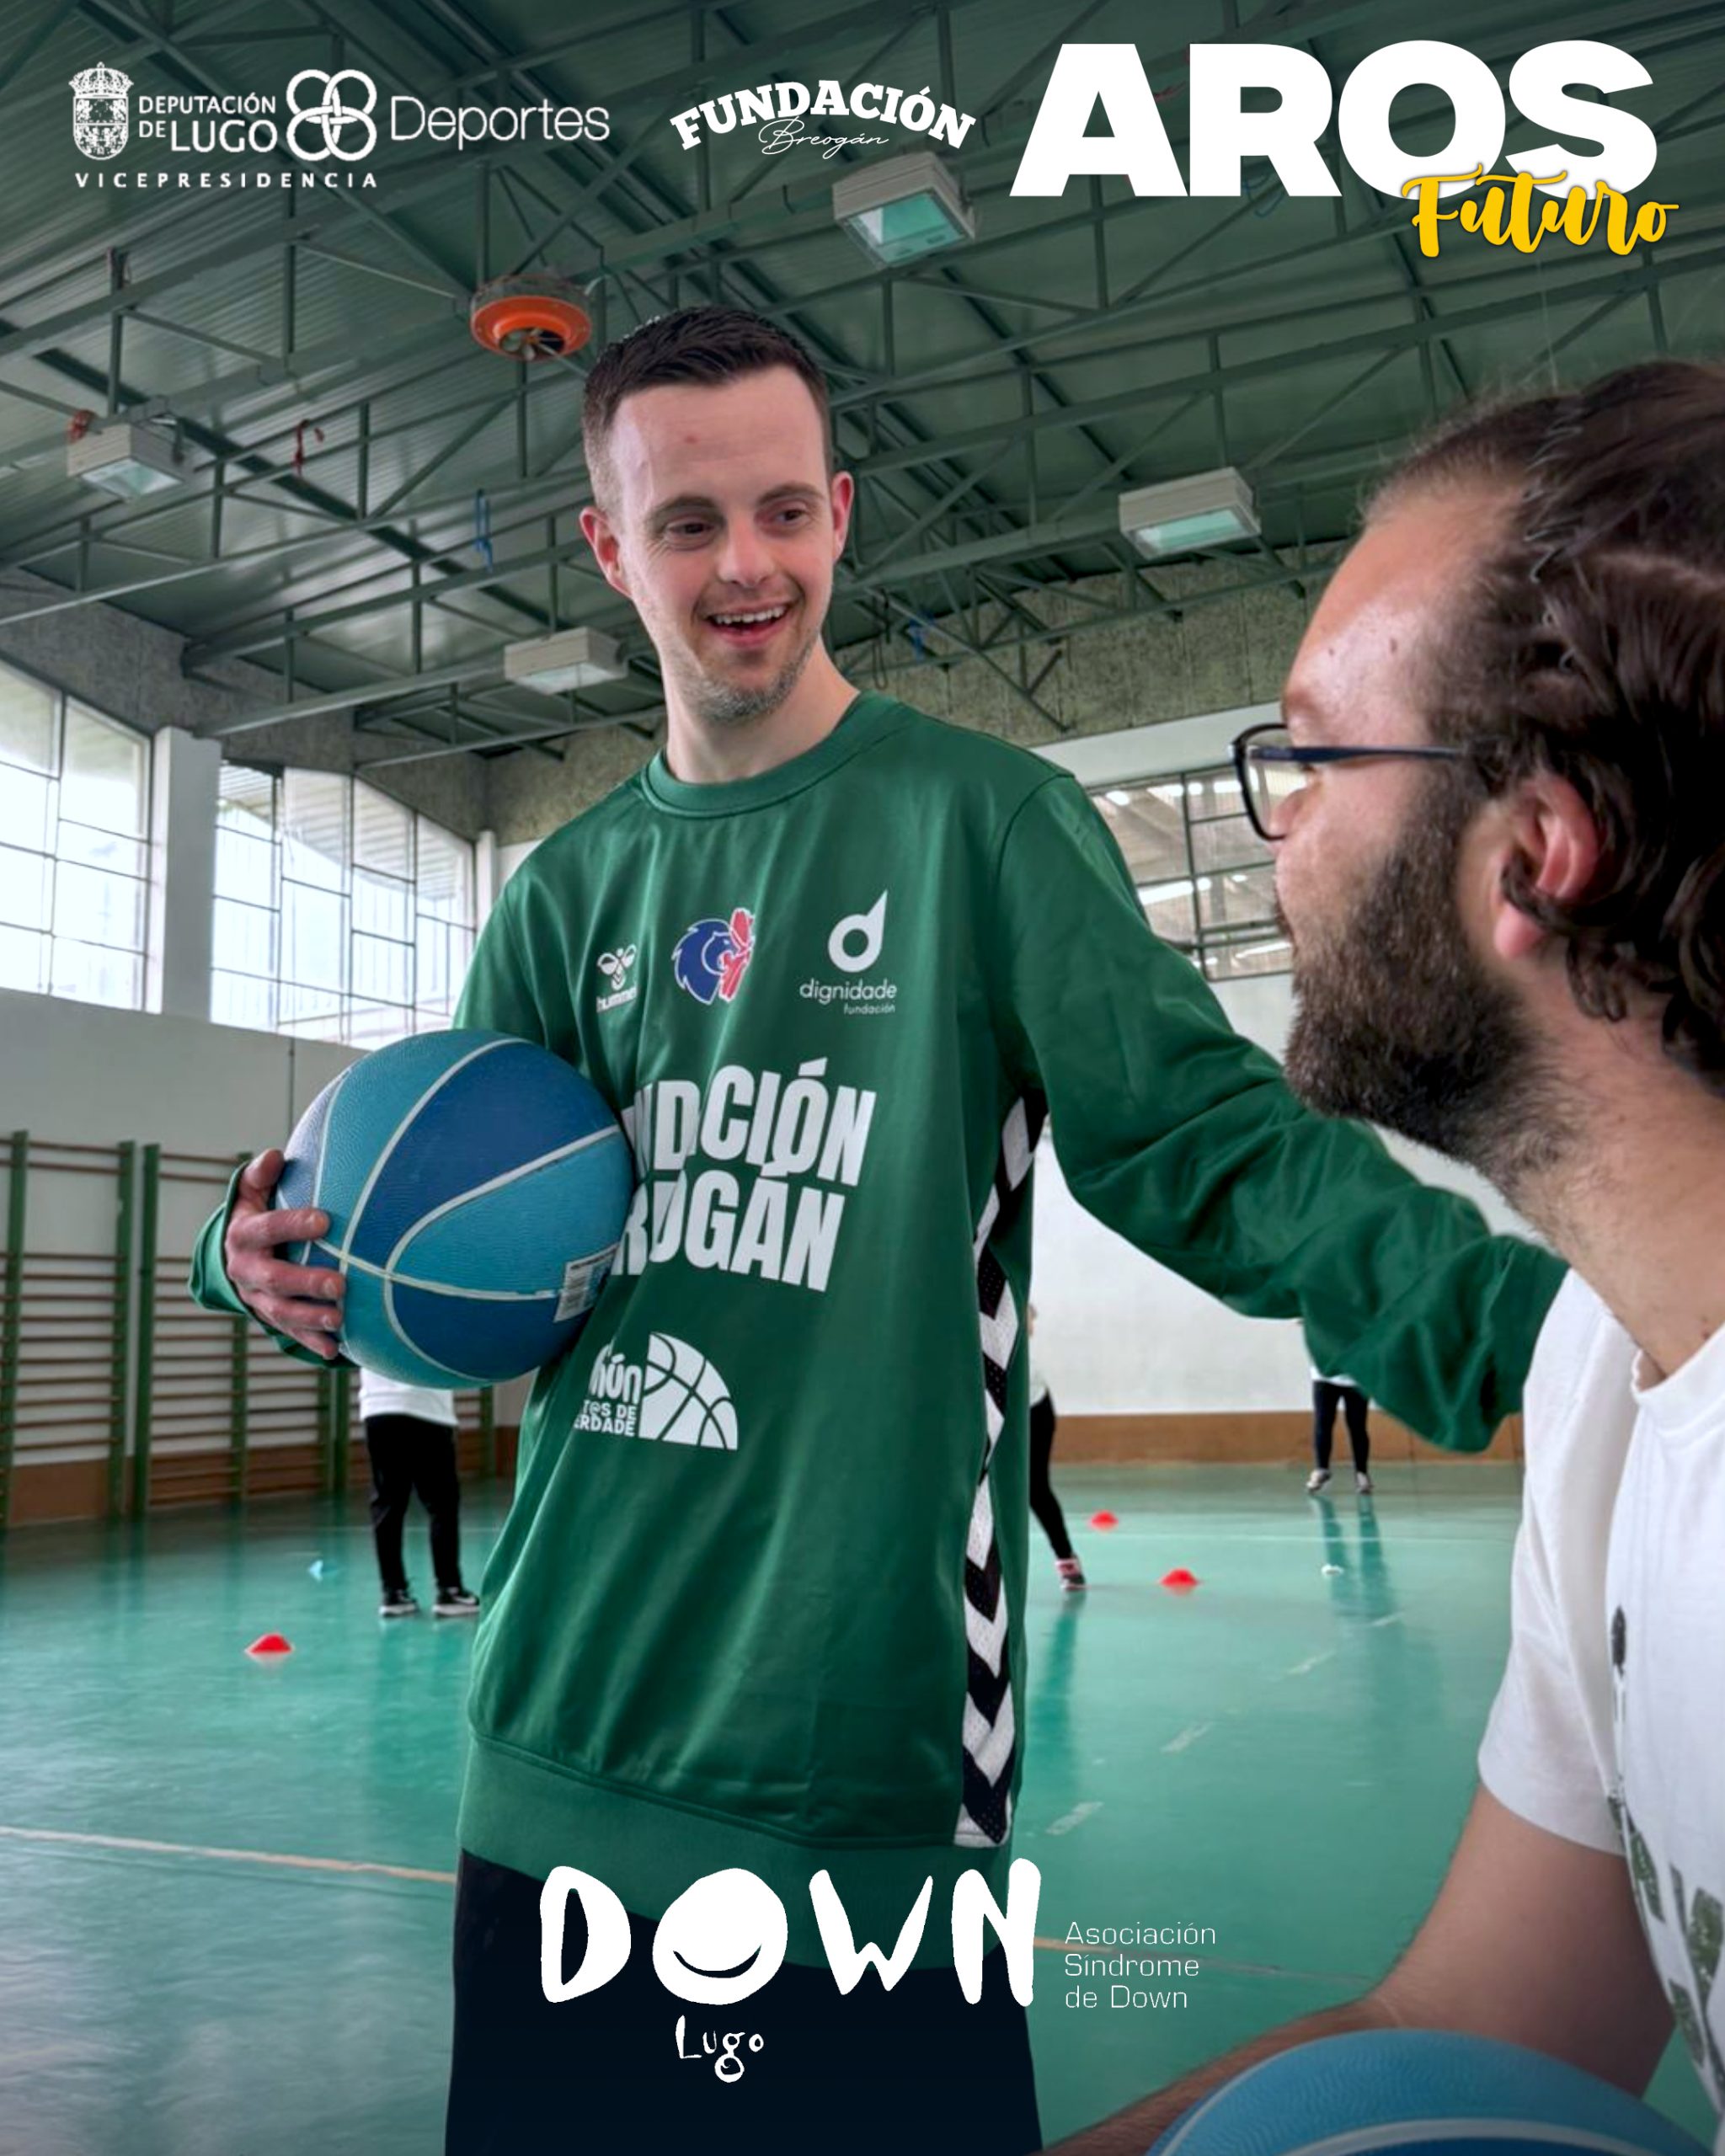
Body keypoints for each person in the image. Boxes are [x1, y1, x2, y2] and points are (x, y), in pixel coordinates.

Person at [189, 306, 1562, 2156]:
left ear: (839, 515)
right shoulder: (565, 896)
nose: (742, 566)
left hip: (863, 1761)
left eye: (782, 511)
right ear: (609, 548)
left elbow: (1206, 1146)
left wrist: (1544, 1337)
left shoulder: (986, 829)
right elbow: (440, 1230)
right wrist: (262, 1260)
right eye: (685, 523)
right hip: (553, 1747)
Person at [1050, 358, 1725, 2153]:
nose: (1276, 828)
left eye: (1310, 759)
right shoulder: (1603, 1370)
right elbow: (1471, 2019)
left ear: (1539, 852)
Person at [359, 1369, 479, 1619]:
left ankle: (393, 1593)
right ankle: (449, 1589)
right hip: (427, 1408)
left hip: (378, 1408)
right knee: (442, 1504)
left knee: (387, 1504)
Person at [1027, 1305, 1085, 1589]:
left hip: (1032, 1406)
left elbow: (1028, 1319)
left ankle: (1066, 1559)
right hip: (982, 1408)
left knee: (1036, 1489)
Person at [1308, 1360, 1373, 1496]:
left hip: (1357, 1377)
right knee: (1323, 1423)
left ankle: (1361, 1473)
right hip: (1324, 1376)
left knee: (1357, 1426)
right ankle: (1321, 1469)